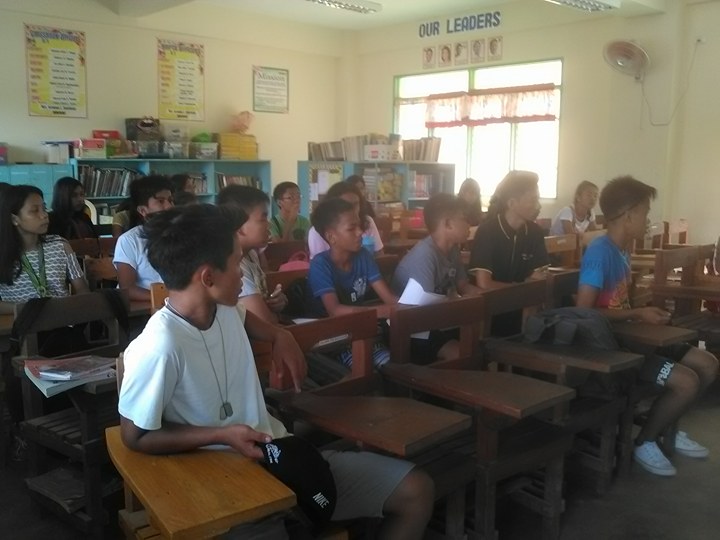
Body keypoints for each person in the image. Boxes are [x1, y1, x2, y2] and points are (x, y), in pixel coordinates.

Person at [118, 203, 433, 539]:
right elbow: (134, 436)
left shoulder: (223, 309)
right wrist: (221, 435)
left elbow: (250, 321)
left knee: (417, 490)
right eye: (237, 263)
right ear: (208, 277)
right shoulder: (159, 347)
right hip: (226, 487)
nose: (243, 273)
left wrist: (281, 335)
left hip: (282, 458)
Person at [576, 175, 718, 477]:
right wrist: (639, 313)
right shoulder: (600, 252)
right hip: (615, 348)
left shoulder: (623, 250)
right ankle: (645, 441)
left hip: (637, 338)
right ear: (628, 216)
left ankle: (667, 426)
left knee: (708, 364)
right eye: (645, 213)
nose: (648, 220)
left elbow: (620, 303)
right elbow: (584, 312)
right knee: (686, 381)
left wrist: (643, 310)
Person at [308, 198, 397, 368]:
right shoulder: (320, 265)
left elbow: (389, 299)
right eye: (351, 228)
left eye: (359, 226)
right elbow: (334, 310)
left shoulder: (363, 256)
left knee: (394, 360)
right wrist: (379, 311)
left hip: (360, 331)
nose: (360, 232)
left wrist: (410, 306)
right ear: (331, 236)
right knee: (380, 367)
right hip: (331, 341)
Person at [392, 193, 481, 362]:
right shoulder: (425, 255)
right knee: (463, 353)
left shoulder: (453, 250)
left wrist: (481, 297)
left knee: (477, 345)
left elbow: (463, 285)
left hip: (439, 320)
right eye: (464, 219)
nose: (469, 224)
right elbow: (426, 308)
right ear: (448, 224)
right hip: (414, 329)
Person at [469, 170, 549, 336]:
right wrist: (521, 291)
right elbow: (484, 283)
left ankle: (527, 345)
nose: (538, 206)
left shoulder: (535, 232)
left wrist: (526, 293)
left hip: (522, 308)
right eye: (533, 200)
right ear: (512, 203)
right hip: (490, 310)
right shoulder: (488, 231)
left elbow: (538, 278)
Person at [217, 185, 288, 324]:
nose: (269, 225)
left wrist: (277, 302)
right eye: (263, 218)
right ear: (240, 226)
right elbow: (265, 323)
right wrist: (274, 315)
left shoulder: (251, 254)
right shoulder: (235, 265)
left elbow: (263, 299)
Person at [113, 175, 174, 301]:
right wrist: (169, 300)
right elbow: (127, 289)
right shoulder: (128, 241)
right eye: (161, 201)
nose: (169, 207)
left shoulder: (180, 235)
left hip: (176, 305)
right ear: (143, 210)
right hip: (143, 307)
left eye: (170, 200)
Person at [308, 181, 383, 259]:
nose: (352, 209)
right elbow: (320, 262)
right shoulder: (316, 232)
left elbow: (379, 255)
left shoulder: (367, 222)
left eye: (356, 204)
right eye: (345, 205)